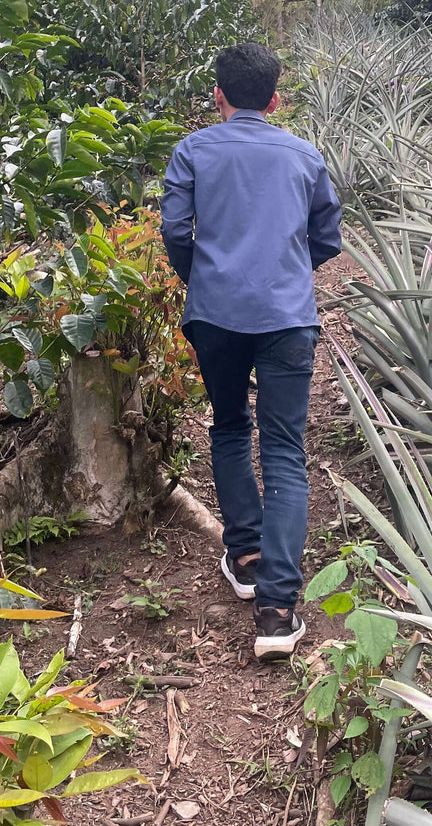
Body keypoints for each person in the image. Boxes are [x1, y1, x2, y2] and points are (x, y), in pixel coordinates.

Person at [161, 42, 342, 660]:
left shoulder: (193, 151)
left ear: (218, 96)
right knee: (286, 449)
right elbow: (326, 237)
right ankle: (276, 609)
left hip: (215, 314)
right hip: (287, 317)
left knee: (231, 425)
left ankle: (245, 554)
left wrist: (202, 277)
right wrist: (290, 271)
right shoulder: (304, 156)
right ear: (274, 98)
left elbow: (174, 230)